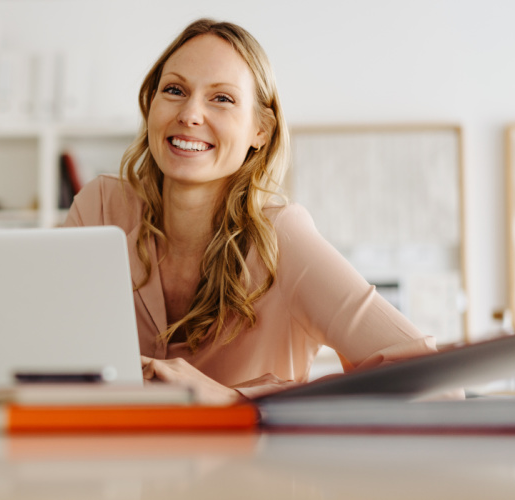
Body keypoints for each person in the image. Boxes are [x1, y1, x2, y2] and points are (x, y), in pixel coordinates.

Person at [63, 18, 441, 405]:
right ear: (151, 105)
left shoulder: (283, 239)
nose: (190, 114)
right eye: (175, 90)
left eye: (222, 99)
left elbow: (434, 386)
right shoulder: (100, 208)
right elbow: (40, 345)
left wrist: (236, 399)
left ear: (261, 130)